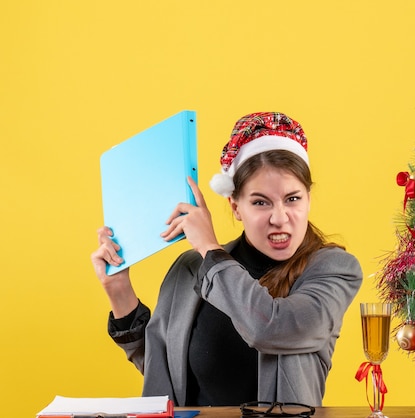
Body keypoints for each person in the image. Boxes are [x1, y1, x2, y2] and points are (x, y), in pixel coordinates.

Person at [90, 112, 363, 407]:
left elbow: (273, 328)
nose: (280, 218)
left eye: (292, 199)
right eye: (260, 202)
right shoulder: (190, 269)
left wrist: (209, 247)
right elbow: (165, 368)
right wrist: (118, 291)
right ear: (235, 206)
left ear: (308, 199)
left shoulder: (333, 269)